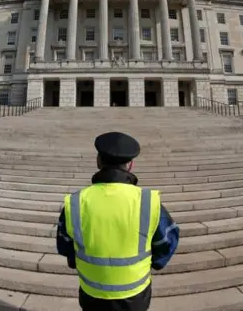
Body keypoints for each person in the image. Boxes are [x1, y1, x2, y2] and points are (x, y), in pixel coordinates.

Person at [56, 131, 180, 311]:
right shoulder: (147, 201)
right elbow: (168, 241)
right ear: (130, 165)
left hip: (92, 292)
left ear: (98, 161)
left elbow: (64, 244)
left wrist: (75, 260)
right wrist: (154, 263)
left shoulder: (75, 202)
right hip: (135, 293)